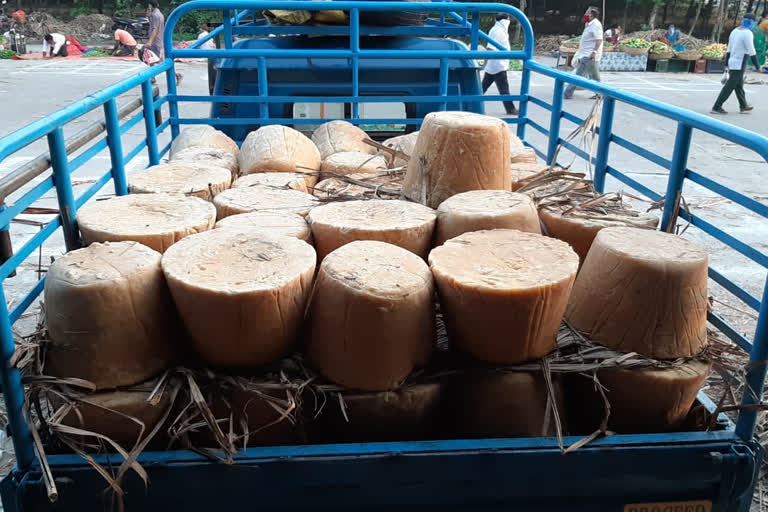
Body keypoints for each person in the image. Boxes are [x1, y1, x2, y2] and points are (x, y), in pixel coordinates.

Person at [711, 14, 760, 114]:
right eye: (754, 22)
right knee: (729, 86)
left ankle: (743, 106)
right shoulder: (748, 33)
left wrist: (726, 64)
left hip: (732, 61)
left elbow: (728, 49)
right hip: (739, 63)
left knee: (739, 85)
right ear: (751, 22)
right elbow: (752, 51)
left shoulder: (735, 31)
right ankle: (717, 106)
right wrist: (757, 66)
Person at [481, 13, 517, 116]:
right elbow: (490, 48)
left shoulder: (497, 29)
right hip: (498, 65)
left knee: (483, 87)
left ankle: (469, 102)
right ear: (505, 20)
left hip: (494, 65)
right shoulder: (498, 31)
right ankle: (511, 109)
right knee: (504, 89)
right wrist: (485, 62)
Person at [564, 7, 603, 100]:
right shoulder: (588, 24)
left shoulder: (596, 25)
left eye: (586, 13)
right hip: (584, 54)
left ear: (591, 15)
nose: (585, 14)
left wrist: (593, 52)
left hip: (589, 55)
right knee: (586, 75)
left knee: (588, 76)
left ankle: (568, 93)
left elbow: (599, 40)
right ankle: (599, 93)